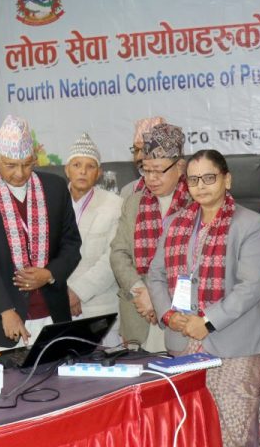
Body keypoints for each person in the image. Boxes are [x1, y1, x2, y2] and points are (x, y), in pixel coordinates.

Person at [148, 149, 260, 446]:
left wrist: (206, 321)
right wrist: (168, 315)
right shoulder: (174, 223)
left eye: (209, 178)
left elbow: (251, 286)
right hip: (183, 343)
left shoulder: (252, 225)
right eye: (193, 180)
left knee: (234, 433)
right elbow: (155, 275)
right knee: (190, 429)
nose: (201, 186)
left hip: (234, 346)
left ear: (226, 180)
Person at [0, 115, 81, 353]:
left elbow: (71, 244)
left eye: (27, 164)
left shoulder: (55, 188)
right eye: (11, 165)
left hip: (52, 313)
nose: (19, 173)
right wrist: (6, 310)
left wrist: (49, 273)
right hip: (4, 320)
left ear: (34, 158)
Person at [110, 123, 188, 351]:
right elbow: (119, 254)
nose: (151, 178)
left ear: (179, 167)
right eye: (146, 170)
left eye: (159, 170)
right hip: (140, 312)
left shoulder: (194, 203)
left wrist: (159, 300)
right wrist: (141, 291)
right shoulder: (133, 202)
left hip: (181, 314)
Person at [64, 132, 123, 346]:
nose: (82, 171)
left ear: (99, 173)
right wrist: (62, 293)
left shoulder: (114, 205)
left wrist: (78, 292)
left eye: (90, 166)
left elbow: (112, 258)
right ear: (67, 170)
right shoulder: (52, 203)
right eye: (77, 165)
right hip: (59, 308)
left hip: (100, 310)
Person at [119, 116, 166, 199]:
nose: (139, 156)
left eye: (145, 149)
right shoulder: (127, 191)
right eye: (136, 150)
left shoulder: (185, 189)